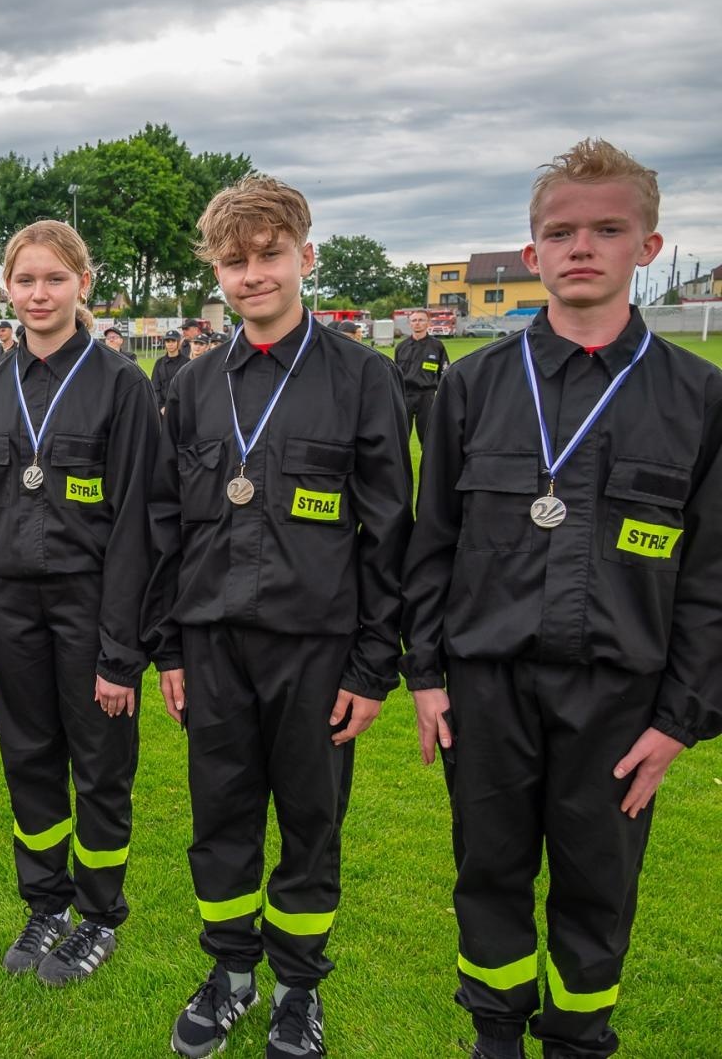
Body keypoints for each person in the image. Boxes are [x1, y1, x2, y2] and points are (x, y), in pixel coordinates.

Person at [401, 139, 722, 1059]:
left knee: (597, 884)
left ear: (648, 248)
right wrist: (425, 676)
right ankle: (495, 1034)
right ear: (532, 252)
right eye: (559, 232)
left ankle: (579, 1037)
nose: (582, 246)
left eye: (607, 230)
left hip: (621, 700)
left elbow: (710, 580)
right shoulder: (471, 387)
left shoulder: (699, 400)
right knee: (489, 871)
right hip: (486, 687)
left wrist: (679, 719)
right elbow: (433, 545)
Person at [152, 174, 412, 1058]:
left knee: (310, 821)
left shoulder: (364, 377)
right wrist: (170, 652)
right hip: (213, 644)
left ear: (305, 254)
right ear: (214, 274)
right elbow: (166, 527)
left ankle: (299, 985)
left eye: (269, 255)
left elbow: (388, 533)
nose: (253, 274)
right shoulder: (190, 385)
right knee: (220, 815)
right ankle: (229, 971)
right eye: (234, 261)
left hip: (318, 650)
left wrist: (374, 668)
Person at [0, 219, 160, 985]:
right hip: (6, 611)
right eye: (25, 280)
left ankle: (99, 914)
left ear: (83, 286)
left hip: (90, 605)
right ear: (7, 287)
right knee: (30, 761)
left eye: (54, 279)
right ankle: (47, 906)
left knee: (100, 768)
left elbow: (138, 525)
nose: (39, 294)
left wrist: (120, 653)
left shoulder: (122, 386)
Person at [393, 308, 449, 445]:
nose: (417, 323)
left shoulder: (437, 346)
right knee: (400, 439)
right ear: (410, 323)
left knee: (428, 440)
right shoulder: (401, 347)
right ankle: (400, 467)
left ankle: (429, 467)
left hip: (427, 396)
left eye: (421, 320)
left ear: (428, 323)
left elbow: (445, 373)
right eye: (414, 320)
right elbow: (395, 375)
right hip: (405, 397)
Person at [152, 328, 190, 411]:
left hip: (181, 407)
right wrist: (161, 406)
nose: (170, 344)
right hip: (163, 409)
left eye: (173, 341)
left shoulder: (187, 362)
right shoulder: (159, 363)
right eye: (167, 341)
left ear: (178, 343)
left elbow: (189, 387)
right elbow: (155, 387)